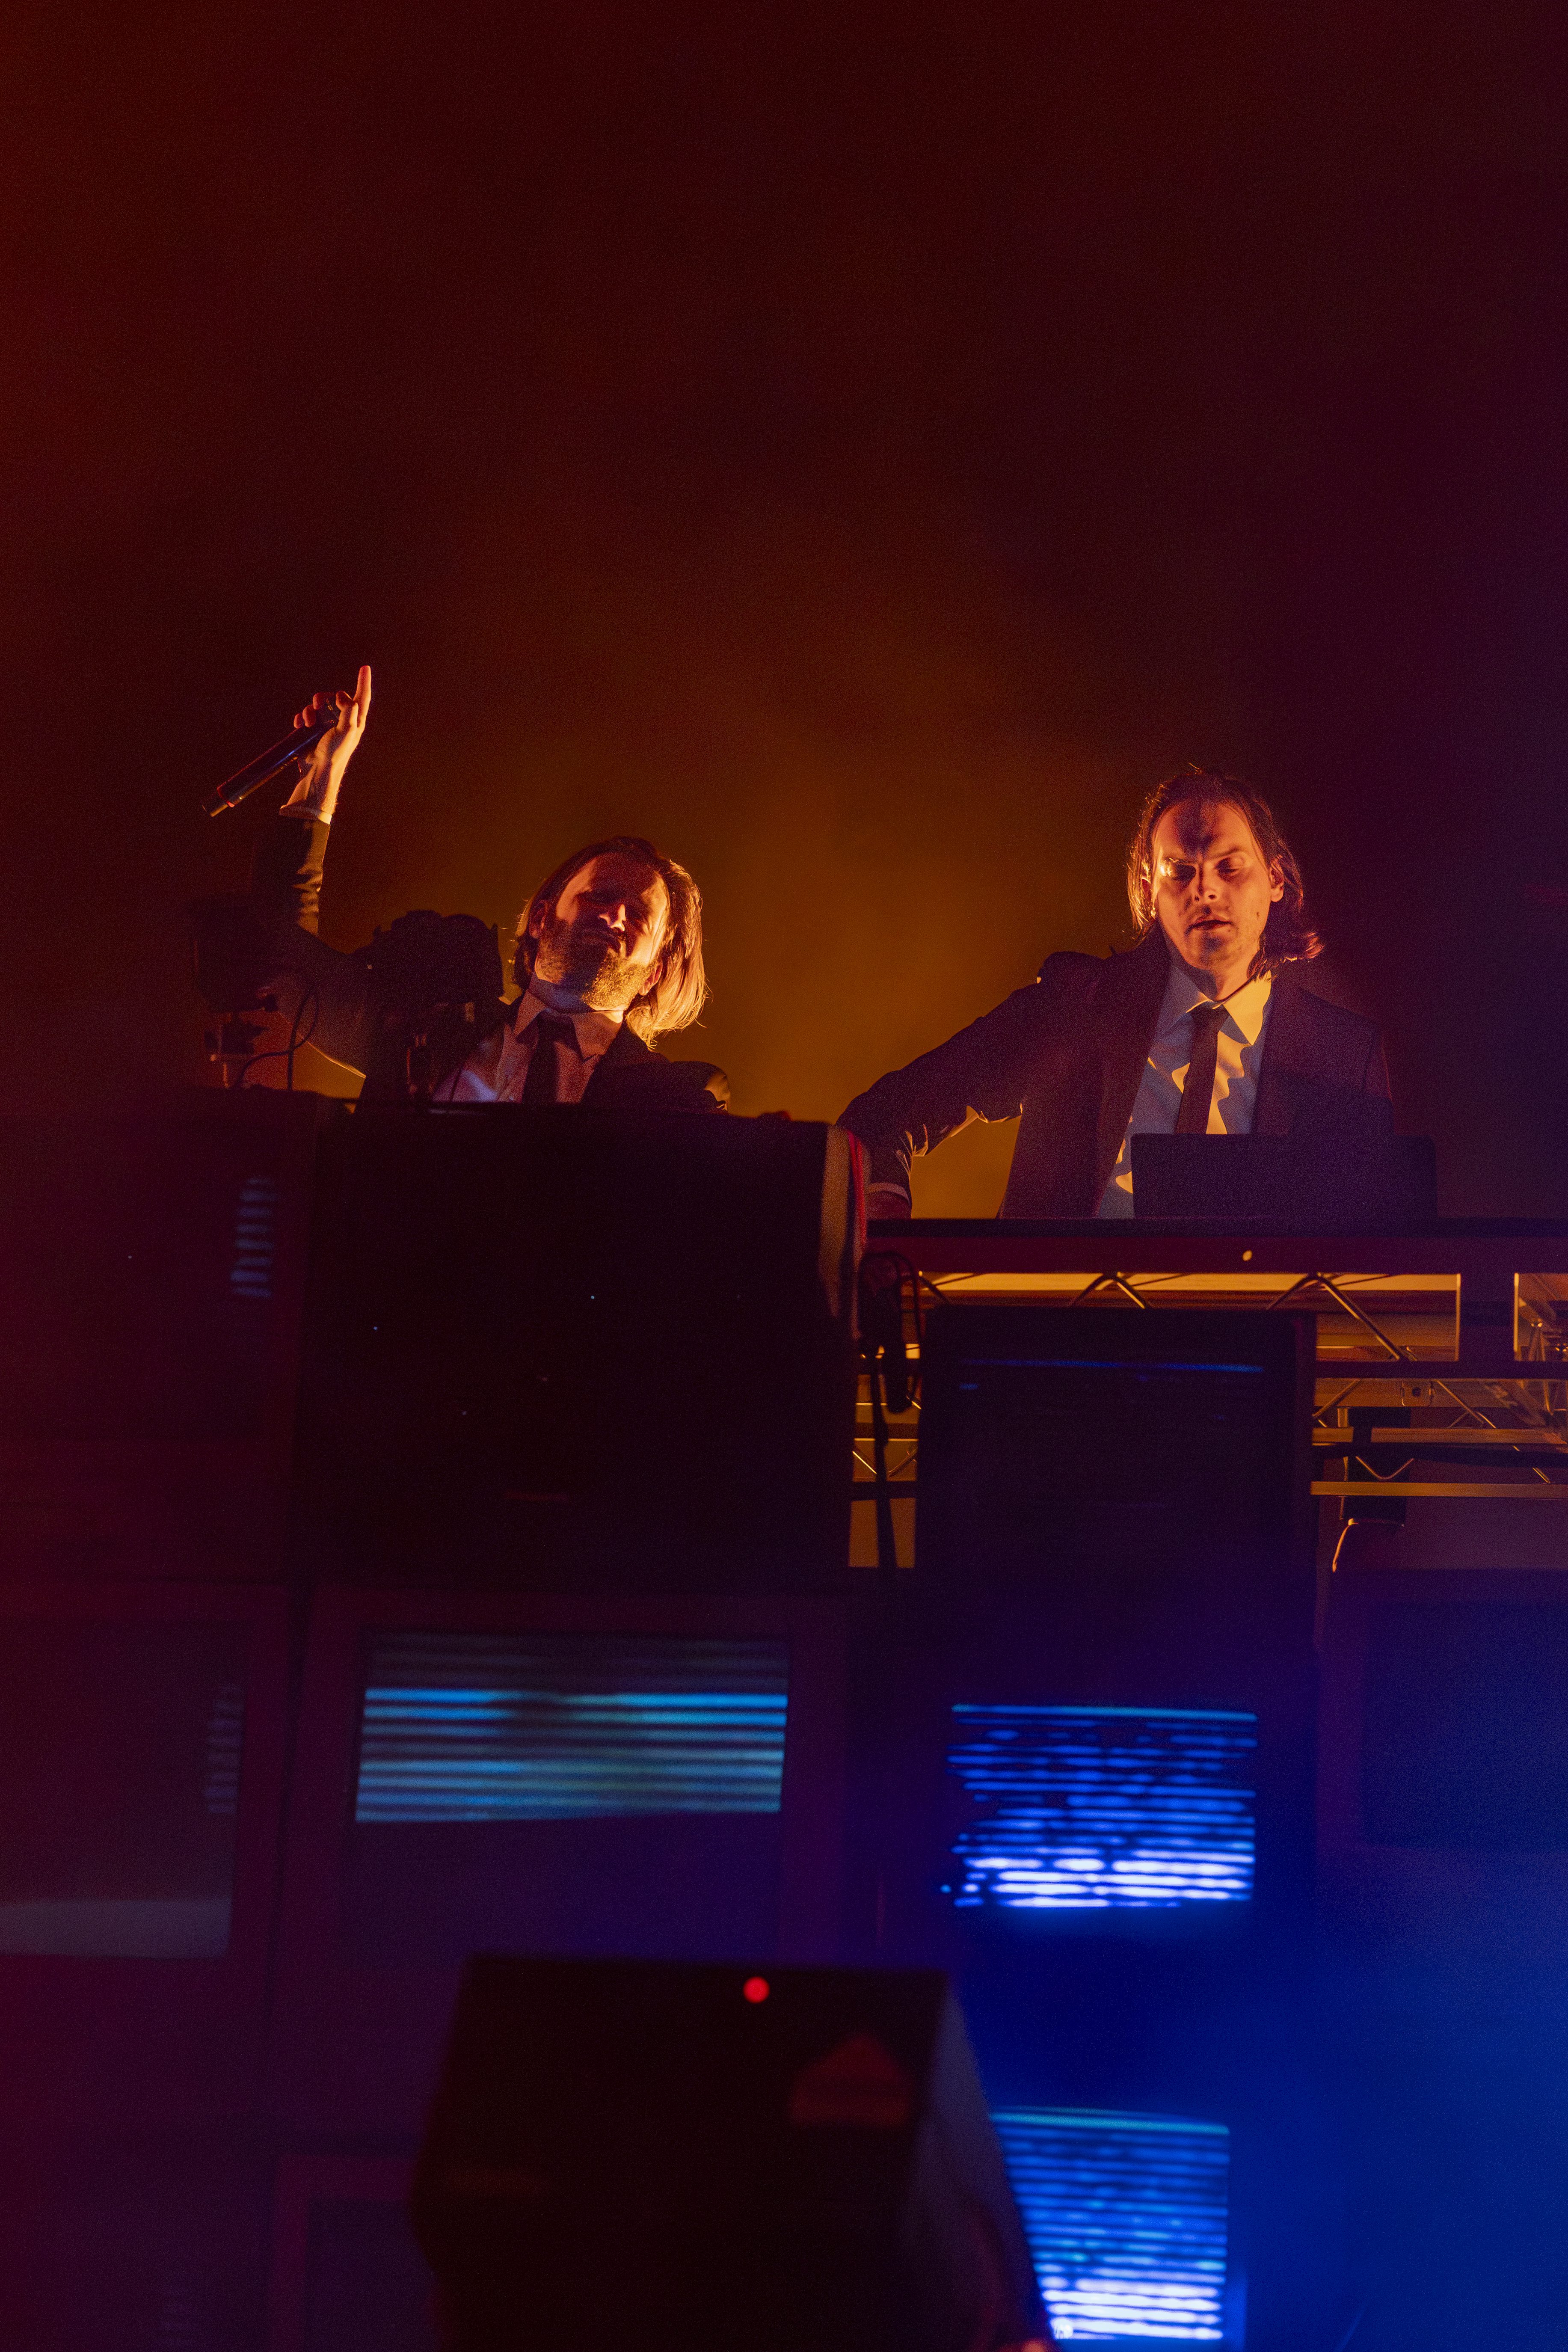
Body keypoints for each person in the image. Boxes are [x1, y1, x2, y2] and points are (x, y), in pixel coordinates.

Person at [838, 767, 1390, 1219]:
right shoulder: (1073, 1007)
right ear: (1149, 892)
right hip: (1065, 1341)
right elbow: (883, 1117)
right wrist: (884, 1204)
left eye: (1229, 867)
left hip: (1243, 1343)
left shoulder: (1341, 1054)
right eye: (1180, 870)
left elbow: (1374, 1238)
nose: (1206, 889)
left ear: (1275, 879)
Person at [230, 665, 722, 1109]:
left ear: (656, 972)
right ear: (541, 917)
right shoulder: (423, 1031)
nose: (614, 914)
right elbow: (280, 954)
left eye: (638, 915)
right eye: (598, 894)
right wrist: (320, 778)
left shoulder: (667, 1103)